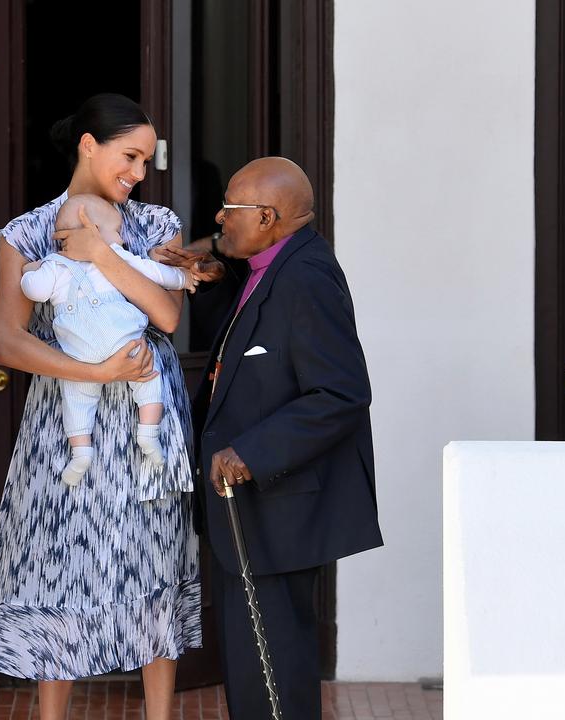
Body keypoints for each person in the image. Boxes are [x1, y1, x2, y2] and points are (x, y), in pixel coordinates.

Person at [0, 93, 204, 720]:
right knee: (59, 562)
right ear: (88, 146)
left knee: (151, 562)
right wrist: (93, 370)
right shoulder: (27, 233)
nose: (139, 173)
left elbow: (168, 315)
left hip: (148, 413)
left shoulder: (154, 225)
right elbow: (7, 342)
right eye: (130, 156)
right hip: (67, 420)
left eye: (147, 160)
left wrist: (100, 255)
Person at [191, 157, 383, 719]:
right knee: (254, 677)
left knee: (273, 679)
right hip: (251, 513)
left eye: (230, 209)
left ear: (269, 217)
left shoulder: (306, 277)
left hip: (281, 510)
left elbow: (341, 394)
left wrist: (252, 451)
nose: (220, 218)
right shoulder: (269, 265)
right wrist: (206, 272)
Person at [20, 193, 198, 486]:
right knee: (148, 378)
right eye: (117, 232)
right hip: (124, 342)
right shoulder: (119, 257)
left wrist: (29, 272)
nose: (123, 240)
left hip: (79, 354)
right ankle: (148, 433)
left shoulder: (54, 265)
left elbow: (35, 291)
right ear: (93, 229)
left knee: (75, 400)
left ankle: (80, 453)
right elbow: (157, 274)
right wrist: (184, 279)